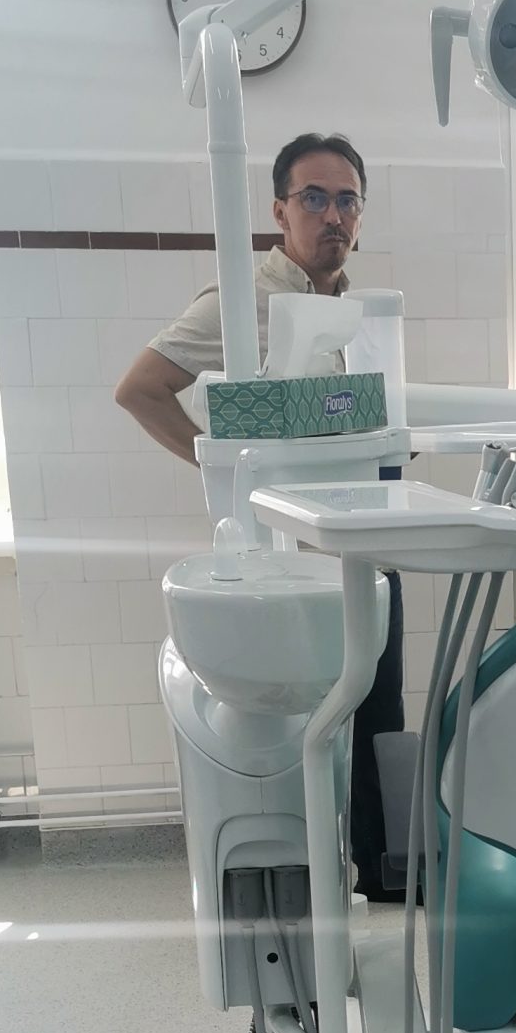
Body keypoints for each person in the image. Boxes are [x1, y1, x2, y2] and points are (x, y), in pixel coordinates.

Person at [114, 132, 406, 900]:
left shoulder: (355, 311)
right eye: (314, 198)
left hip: (363, 540)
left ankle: (377, 872)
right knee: (305, 725)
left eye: (347, 200)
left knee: (377, 707)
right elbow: (139, 389)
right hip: (290, 559)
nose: (333, 215)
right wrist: (221, 469)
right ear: (280, 211)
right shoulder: (243, 303)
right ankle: (304, 876)